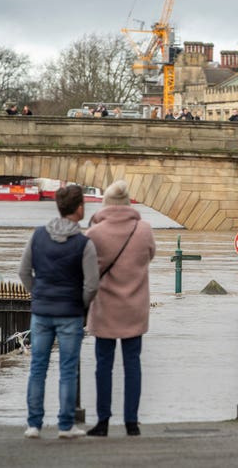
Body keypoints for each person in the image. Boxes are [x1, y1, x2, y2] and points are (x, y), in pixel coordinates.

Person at [18, 184, 99, 439]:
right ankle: (66, 426)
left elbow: (23, 272)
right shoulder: (83, 244)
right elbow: (92, 284)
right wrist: (81, 304)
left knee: (38, 368)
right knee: (67, 369)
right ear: (79, 208)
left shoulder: (38, 235)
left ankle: (33, 425)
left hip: (41, 313)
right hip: (70, 313)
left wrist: (38, 294)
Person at [85, 180, 156, 437]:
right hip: (134, 307)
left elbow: (87, 270)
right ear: (127, 203)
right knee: (133, 364)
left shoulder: (94, 233)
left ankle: (103, 421)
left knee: (103, 364)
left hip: (105, 307)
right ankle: (132, 422)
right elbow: (150, 255)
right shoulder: (144, 230)